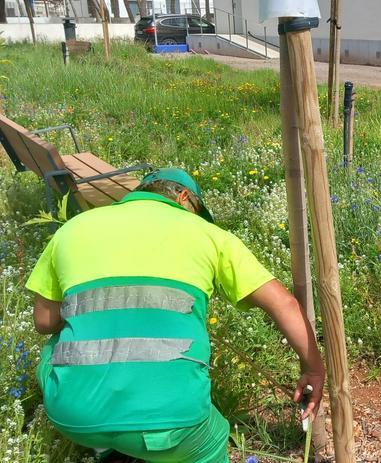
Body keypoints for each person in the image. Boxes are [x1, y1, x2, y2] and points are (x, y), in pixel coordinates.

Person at [26, 168, 325, 463]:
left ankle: (106, 443)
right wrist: (314, 369)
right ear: (183, 197)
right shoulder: (210, 235)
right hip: (173, 426)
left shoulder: (74, 228)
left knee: (55, 344)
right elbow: (284, 303)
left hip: (74, 417)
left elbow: (44, 321)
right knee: (211, 439)